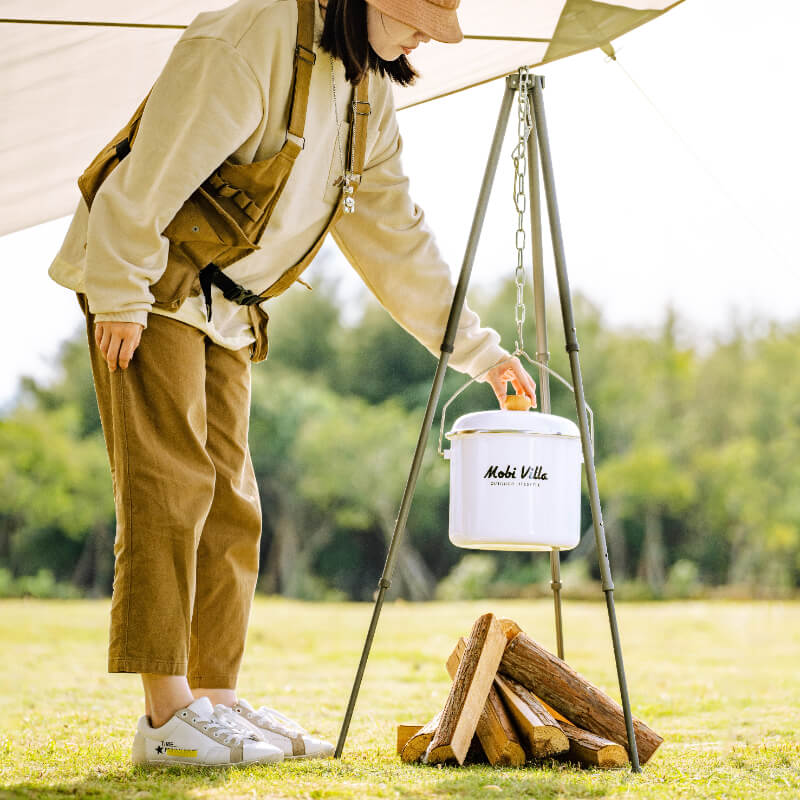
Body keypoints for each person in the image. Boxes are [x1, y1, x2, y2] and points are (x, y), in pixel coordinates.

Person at [48, 0, 537, 768]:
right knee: (170, 488)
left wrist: (479, 352)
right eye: (417, 19)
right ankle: (166, 719)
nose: (424, 39)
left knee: (233, 501)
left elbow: (393, 236)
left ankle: (213, 702)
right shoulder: (247, 42)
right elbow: (148, 176)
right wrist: (117, 292)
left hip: (231, 307)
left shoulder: (366, 91)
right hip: (150, 284)